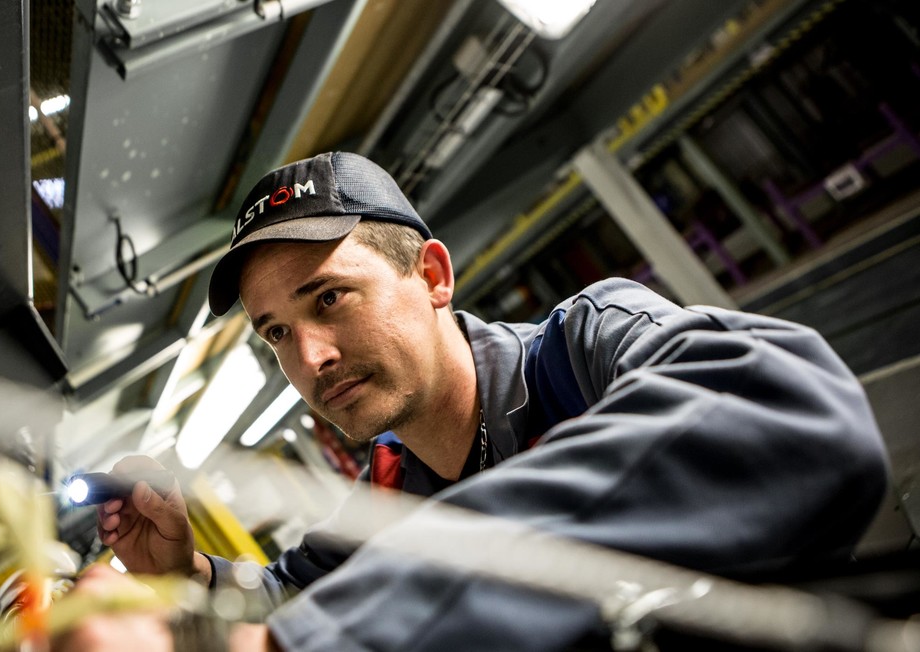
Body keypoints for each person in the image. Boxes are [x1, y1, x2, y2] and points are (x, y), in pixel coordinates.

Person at [55, 151, 890, 651]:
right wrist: (187, 575)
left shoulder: (586, 348)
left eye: (329, 299)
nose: (308, 358)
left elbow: (782, 407)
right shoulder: (385, 487)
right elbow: (292, 593)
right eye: (275, 333)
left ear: (433, 277)